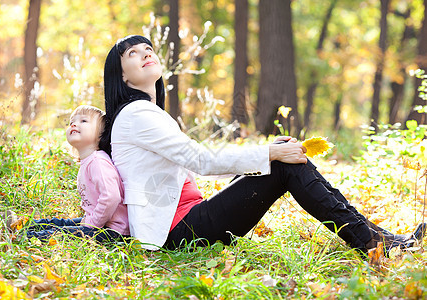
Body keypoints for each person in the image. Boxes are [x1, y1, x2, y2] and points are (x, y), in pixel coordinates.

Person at [100, 35, 425, 254]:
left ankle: (376, 237)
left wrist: (270, 152)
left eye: (148, 50)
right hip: (178, 232)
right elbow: (199, 159)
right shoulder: (137, 114)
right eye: (133, 54)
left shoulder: (144, 113)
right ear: (124, 77)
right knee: (282, 161)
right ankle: (372, 241)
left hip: (186, 218)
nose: (145, 54)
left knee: (282, 154)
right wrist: (270, 153)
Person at [24, 105, 130, 243]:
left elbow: (111, 197)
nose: (74, 124)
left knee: (63, 233)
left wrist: (92, 223)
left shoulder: (98, 162)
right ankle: (25, 224)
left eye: (83, 121)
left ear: (100, 134)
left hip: (114, 231)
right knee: (62, 223)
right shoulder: (88, 161)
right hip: (100, 223)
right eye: (71, 122)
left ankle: (27, 236)